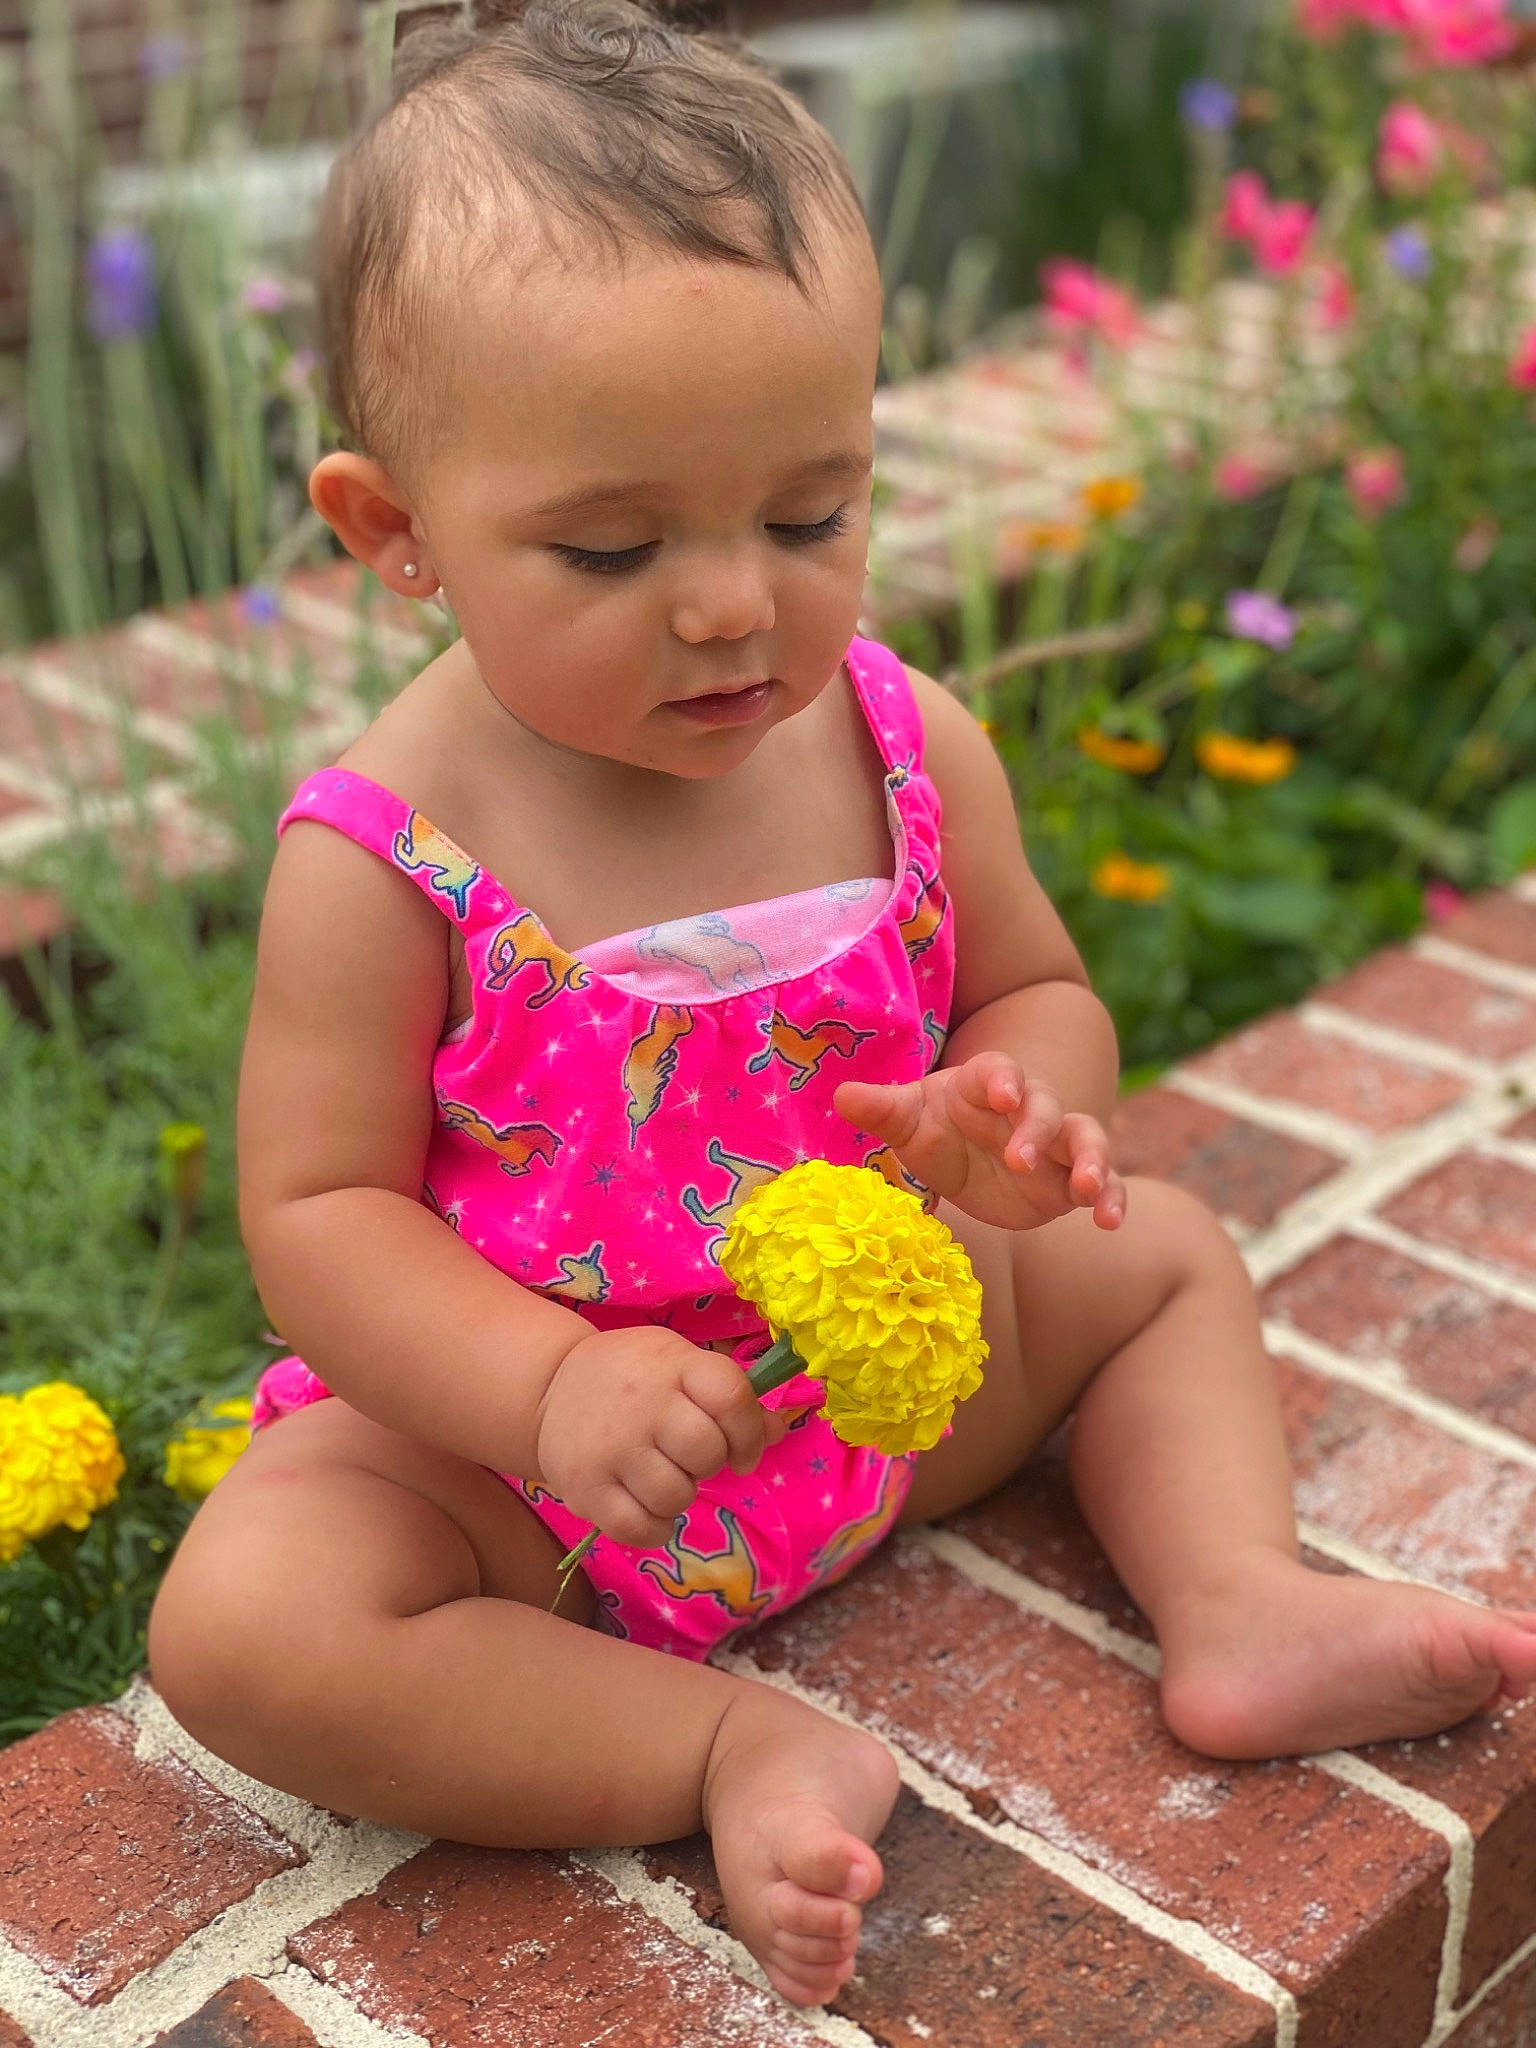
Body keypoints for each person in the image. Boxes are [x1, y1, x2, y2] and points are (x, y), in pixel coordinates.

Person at [147, 0, 1536, 2011]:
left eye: (809, 512)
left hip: (889, 1397)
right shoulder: (384, 860)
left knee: (1167, 1264)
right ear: (395, 533)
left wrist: (1019, 1113)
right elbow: (319, 1218)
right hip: (557, 1480)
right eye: (615, 544)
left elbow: (1039, 987)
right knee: (251, 1625)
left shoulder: (895, 740)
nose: (736, 603)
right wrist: (544, 1386)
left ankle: (1230, 1593)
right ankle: (707, 1743)